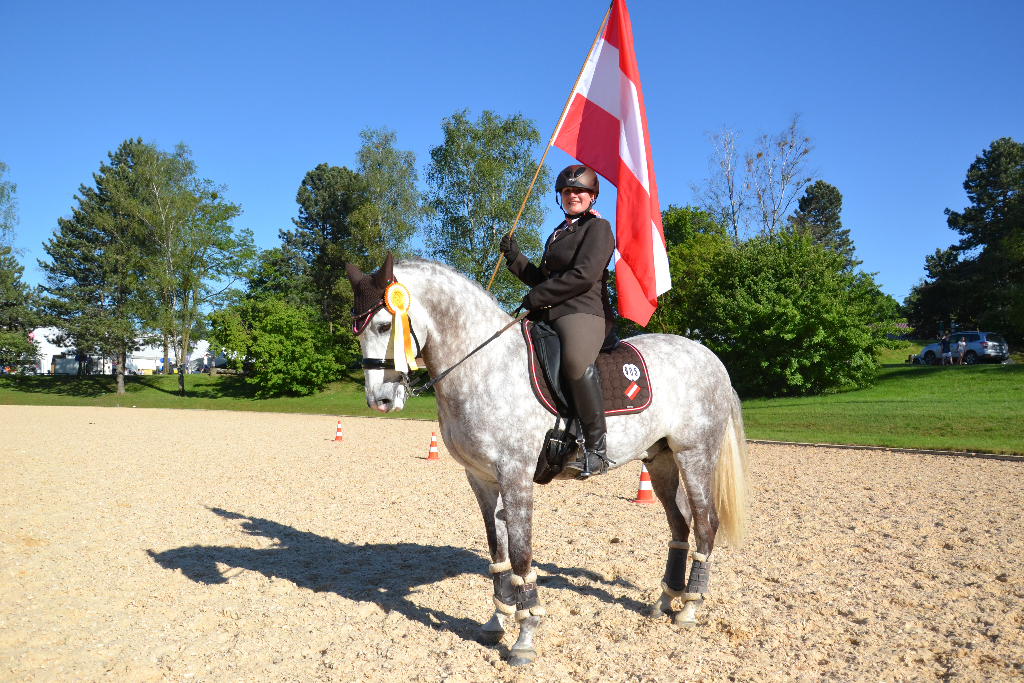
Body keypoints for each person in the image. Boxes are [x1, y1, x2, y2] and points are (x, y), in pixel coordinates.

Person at [500, 164, 615, 478]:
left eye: (579, 191)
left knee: (577, 362)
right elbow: (543, 278)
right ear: (560, 196)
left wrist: (537, 297)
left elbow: (584, 276)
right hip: (551, 311)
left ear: (591, 196)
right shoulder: (558, 233)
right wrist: (516, 259)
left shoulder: (598, 229)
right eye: (567, 191)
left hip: (583, 310)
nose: (572, 195)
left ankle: (597, 449)